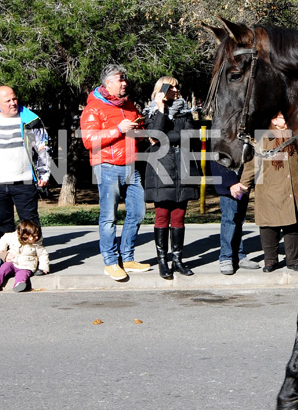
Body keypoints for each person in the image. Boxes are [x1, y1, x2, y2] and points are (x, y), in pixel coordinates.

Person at [79, 64, 150, 281]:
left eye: (125, 79)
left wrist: (139, 129)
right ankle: (110, 262)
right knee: (109, 217)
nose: (124, 83)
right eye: (120, 79)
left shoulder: (128, 105)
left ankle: (127, 257)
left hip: (130, 165)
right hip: (107, 166)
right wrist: (119, 129)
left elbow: (138, 128)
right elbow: (89, 140)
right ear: (108, 83)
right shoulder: (93, 109)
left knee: (138, 212)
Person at [0, 86, 50, 239]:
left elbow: (42, 148)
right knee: (2, 222)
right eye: (8, 101)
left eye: (14, 98)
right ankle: (8, 258)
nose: (13, 103)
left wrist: (44, 174)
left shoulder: (30, 120)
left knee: (30, 222)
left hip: (24, 181)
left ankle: (32, 258)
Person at [143, 76, 199, 279]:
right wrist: (161, 109)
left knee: (179, 216)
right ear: (162, 90)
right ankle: (162, 261)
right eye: (171, 87)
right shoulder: (151, 112)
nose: (176, 90)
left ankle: (177, 260)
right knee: (162, 215)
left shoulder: (185, 112)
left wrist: (167, 138)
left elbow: (191, 136)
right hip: (161, 168)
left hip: (183, 167)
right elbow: (156, 135)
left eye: (177, 86)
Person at [241, 113, 298, 272]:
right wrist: (244, 184)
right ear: (273, 120)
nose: (286, 120)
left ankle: (294, 260)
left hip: (293, 189)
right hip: (269, 190)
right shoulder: (262, 138)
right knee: (269, 227)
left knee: (293, 226)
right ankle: (270, 260)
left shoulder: (296, 136)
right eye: (282, 118)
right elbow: (252, 165)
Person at [210, 160, 253, 275]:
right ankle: (226, 257)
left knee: (239, 220)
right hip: (229, 185)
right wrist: (231, 183)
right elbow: (218, 160)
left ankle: (239, 255)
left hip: (243, 181)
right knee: (229, 220)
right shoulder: (220, 141)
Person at [0, 219, 49, 292]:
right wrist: (1, 249)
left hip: (26, 265)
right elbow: (4, 238)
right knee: (3, 268)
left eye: (37, 236)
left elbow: (43, 256)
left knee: (23, 274)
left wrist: (43, 268)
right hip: (12, 261)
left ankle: (19, 284)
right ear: (25, 234)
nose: (36, 238)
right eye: (33, 236)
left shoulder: (36, 245)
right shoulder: (14, 237)